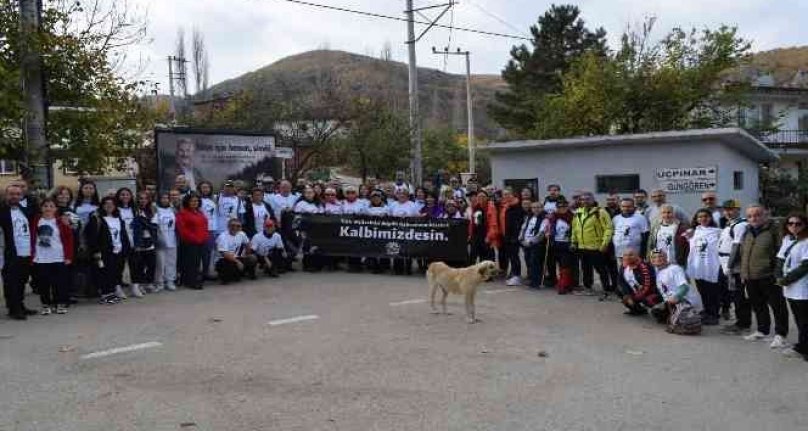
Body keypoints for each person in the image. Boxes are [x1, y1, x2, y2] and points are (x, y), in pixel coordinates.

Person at [740, 205, 788, 348]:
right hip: (750, 276)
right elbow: (743, 253)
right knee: (758, 304)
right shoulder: (747, 231)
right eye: (750, 216)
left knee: (777, 305)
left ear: (765, 215)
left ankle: (781, 334)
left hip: (769, 275)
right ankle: (762, 330)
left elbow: (781, 253)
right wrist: (744, 273)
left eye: (757, 215)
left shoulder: (774, 231)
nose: (753, 218)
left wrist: (777, 273)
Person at [30, 198, 74, 315]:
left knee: (59, 283)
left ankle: (59, 303)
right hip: (41, 258)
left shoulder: (61, 222)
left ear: (55, 209)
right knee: (43, 283)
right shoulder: (35, 221)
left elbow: (69, 239)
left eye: (51, 206)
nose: (48, 208)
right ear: (41, 208)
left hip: (58, 257)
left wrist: (68, 256)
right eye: (45, 206)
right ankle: (46, 304)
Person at [776, 212, 808, 361]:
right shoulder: (787, 239)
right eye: (790, 223)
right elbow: (780, 260)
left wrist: (787, 279)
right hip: (789, 288)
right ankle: (803, 344)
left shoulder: (806, 242)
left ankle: (805, 349)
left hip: (802, 287)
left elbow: (805, 266)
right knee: (798, 318)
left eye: (798, 224)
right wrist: (778, 276)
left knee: (805, 320)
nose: (794, 226)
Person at [1, 184, 36, 320]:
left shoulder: (25, 210)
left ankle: (20, 305)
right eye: (11, 194)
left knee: (22, 280)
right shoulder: (2, 211)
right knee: (11, 281)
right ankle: (13, 308)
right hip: (10, 252)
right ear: (6, 195)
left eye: (17, 194)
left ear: (21, 196)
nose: (14, 196)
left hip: (25, 251)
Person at [86, 196, 131, 304]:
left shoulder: (118, 218)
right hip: (104, 252)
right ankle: (105, 294)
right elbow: (91, 237)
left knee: (114, 273)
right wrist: (96, 251)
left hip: (118, 251)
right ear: (102, 205)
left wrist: (126, 248)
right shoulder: (96, 219)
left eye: (112, 203)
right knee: (104, 273)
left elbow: (123, 235)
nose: (109, 205)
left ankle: (111, 293)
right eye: (106, 203)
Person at [571, 192, 614, 297]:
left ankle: (606, 289)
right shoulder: (578, 212)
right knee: (586, 269)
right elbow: (575, 228)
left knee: (601, 269)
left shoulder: (600, 212)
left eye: (587, 199)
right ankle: (588, 287)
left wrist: (605, 243)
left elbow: (608, 228)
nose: (585, 201)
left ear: (593, 200)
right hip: (582, 247)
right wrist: (573, 242)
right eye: (583, 199)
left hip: (596, 247)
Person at [718, 200, 751, 335]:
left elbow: (737, 247)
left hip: (734, 266)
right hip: (726, 262)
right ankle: (740, 321)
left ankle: (743, 323)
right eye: (725, 209)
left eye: (731, 209)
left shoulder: (740, 225)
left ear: (738, 209)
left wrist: (729, 266)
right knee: (734, 294)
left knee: (739, 295)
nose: (728, 212)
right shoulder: (730, 224)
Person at [686, 209, 723, 325]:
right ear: (696, 219)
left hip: (711, 267)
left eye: (706, 216)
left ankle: (714, 314)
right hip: (698, 267)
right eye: (700, 217)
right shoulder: (692, 232)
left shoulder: (718, 232)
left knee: (713, 292)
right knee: (702, 292)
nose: (703, 219)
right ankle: (707, 312)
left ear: (711, 218)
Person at [650, 249, 703, 324]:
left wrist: (676, 297)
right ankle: (674, 316)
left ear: (666, 257)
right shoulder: (658, 271)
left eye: (660, 256)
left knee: (660, 311)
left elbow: (684, 287)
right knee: (655, 310)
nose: (657, 259)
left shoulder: (675, 269)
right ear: (651, 260)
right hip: (671, 300)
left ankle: (692, 314)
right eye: (654, 257)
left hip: (686, 299)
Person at [176, 193, 208, 290]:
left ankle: (196, 279)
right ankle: (191, 282)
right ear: (187, 202)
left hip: (202, 241)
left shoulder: (200, 212)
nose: (195, 203)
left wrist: (204, 236)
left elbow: (204, 225)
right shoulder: (182, 213)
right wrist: (194, 239)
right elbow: (182, 229)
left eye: (196, 201)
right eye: (192, 201)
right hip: (190, 242)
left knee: (198, 262)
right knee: (191, 263)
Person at [130, 191, 158, 295]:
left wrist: (144, 223)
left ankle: (149, 283)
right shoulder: (134, 211)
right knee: (140, 265)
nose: (143, 201)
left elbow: (154, 226)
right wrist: (145, 223)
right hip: (139, 242)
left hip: (150, 241)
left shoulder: (151, 211)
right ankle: (140, 284)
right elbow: (133, 225)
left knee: (151, 264)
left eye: (145, 198)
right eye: (141, 198)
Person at [611, 197, 649, 276]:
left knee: (635, 273)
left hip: (635, 253)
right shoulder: (616, 218)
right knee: (622, 273)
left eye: (629, 206)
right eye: (623, 206)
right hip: (619, 253)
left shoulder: (640, 218)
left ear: (633, 207)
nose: (626, 208)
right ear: (620, 207)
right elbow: (613, 234)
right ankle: (623, 287)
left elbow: (645, 236)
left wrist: (643, 253)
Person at [545, 197, 574, 294]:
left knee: (565, 265)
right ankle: (564, 283)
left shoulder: (572, 217)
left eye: (563, 207)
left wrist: (573, 242)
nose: (561, 209)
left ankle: (564, 284)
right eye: (559, 207)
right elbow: (549, 228)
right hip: (556, 243)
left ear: (567, 207)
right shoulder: (553, 217)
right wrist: (548, 233)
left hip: (567, 244)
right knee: (559, 265)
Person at [619, 248, 659, 315]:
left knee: (650, 303)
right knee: (619, 290)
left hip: (649, 292)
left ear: (637, 256)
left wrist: (634, 298)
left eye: (631, 255)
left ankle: (662, 312)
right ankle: (638, 310)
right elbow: (620, 281)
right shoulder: (624, 266)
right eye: (625, 255)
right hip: (636, 291)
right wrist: (627, 295)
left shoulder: (643, 267)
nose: (628, 257)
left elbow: (647, 286)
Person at [215, 218, 257, 283]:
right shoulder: (222, 236)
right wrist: (237, 262)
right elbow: (224, 254)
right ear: (228, 226)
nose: (235, 228)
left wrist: (247, 253)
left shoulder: (242, 234)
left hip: (237, 257)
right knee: (227, 277)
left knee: (252, 258)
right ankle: (227, 275)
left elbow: (248, 244)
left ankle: (248, 273)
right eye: (233, 225)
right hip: (224, 260)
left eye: (238, 226)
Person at [389, 188, 420, 275]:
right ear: (397, 195)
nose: (402, 195)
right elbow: (388, 217)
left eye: (404, 194)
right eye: (399, 194)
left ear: (407, 196)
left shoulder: (412, 205)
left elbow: (417, 217)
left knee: (407, 250)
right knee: (396, 249)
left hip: (408, 231)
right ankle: (397, 269)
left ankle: (408, 269)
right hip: (395, 231)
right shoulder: (393, 204)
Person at [294, 186, 324, 272]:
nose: (309, 194)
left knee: (316, 246)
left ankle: (316, 265)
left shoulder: (318, 203)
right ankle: (307, 265)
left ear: (314, 194)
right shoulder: (300, 204)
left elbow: (322, 215)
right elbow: (297, 217)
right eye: (307, 192)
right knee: (306, 246)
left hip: (317, 229)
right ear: (304, 194)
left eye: (311, 192)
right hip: (305, 229)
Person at [499, 188, 523, 285]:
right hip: (506, 235)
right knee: (511, 256)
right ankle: (513, 274)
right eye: (504, 194)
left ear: (513, 195)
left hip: (513, 236)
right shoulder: (505, 206)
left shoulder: (516, 206)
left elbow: (517, 223)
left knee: (514, 256)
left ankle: (517, 276)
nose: (506, 196)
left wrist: (515, 236)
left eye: (508, 194)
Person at [154, 192, 178, 292]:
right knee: (160, 263)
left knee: (171, 261)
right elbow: (155, 225)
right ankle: (160, 282)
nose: (165, 200)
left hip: (172, 239)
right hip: (161, 239)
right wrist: (159, 238)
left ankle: (170, 280)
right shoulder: (156, 210)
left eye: (166, 198)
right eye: (162, 198)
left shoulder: (173, 209)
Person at [468, 190, 500, 264]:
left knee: (487, 259)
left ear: (487, 198)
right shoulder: (475, 207)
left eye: (483, 196)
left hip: (486, 236)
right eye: (479, 196)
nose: (481, 198)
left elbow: (493, 224)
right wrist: (470, 234)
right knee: (472, 257)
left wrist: (489, 237)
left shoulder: (491, 207)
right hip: (476, 236)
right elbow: (472, 223)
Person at [519, 201, 544, 289]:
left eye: (538, 207)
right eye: (534, 207)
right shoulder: (529, 217)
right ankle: (531, 279)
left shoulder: (544, 218)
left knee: (535, 263)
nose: (536, 209)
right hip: (525, 242)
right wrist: (521, 238)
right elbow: (523, 228)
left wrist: (531, 242)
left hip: (536, 244)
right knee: (528, 262)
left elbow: (541, 233)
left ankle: (536, 282)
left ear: (542, 208)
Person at [365, 190, 390, 274]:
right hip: (371, 232)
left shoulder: (386, 207)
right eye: (374, 197)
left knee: (383, 248)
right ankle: (373, 266)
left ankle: (383, 266)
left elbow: (390, 217)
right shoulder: (367, 207)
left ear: (381, 198)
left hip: (383, 231)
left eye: (377, 197)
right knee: (372, 248)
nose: (376, 199)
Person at [197, 181, 218, 280]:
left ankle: (207, 272)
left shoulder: (214, 199)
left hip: (212, 229)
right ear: (200, 189)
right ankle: (200, 272)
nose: (205, 189)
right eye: (203, 187)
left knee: (210, 251)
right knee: (201, 252)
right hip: (201, 229)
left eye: (207, 187)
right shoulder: (197, 200)